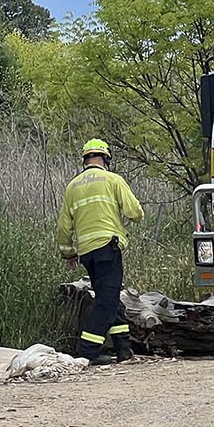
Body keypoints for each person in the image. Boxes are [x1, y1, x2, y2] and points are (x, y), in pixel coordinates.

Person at [55, 138, 145, 366]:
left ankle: (124, 349)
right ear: (106, 159)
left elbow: (63, 227)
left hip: (87, 253)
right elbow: (135, 212)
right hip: (108, 247)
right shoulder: (113, 180)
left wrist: (68, 253)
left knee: (111, 298)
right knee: (106, 302)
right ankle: (86, 352)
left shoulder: (72, 186)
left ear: (85, 160)